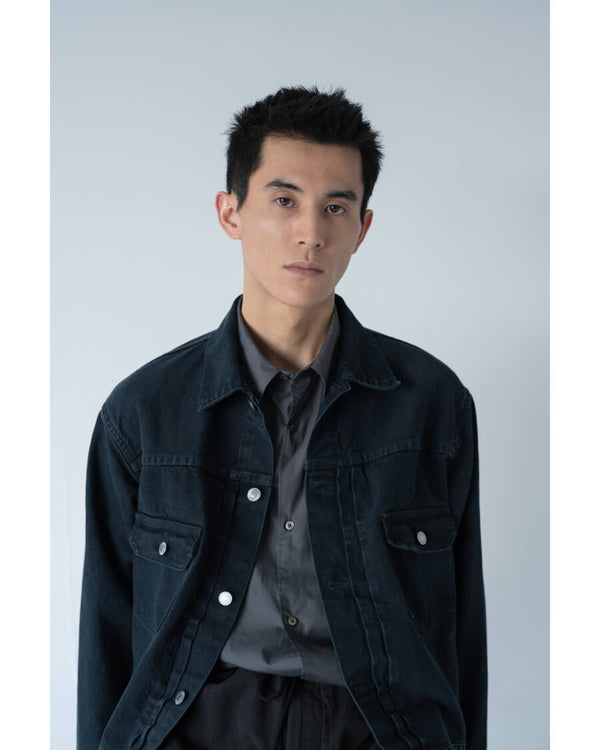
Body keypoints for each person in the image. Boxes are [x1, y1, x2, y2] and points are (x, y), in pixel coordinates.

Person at [77, 86, 487, 750]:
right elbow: (106, 628)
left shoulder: (431, 405)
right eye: (284, 201)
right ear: (230, 212)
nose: (311, 233)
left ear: (362, 228)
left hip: (376, 727)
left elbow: (460, 633)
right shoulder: (144, 413)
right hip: (197, 724)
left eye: (336, 207)